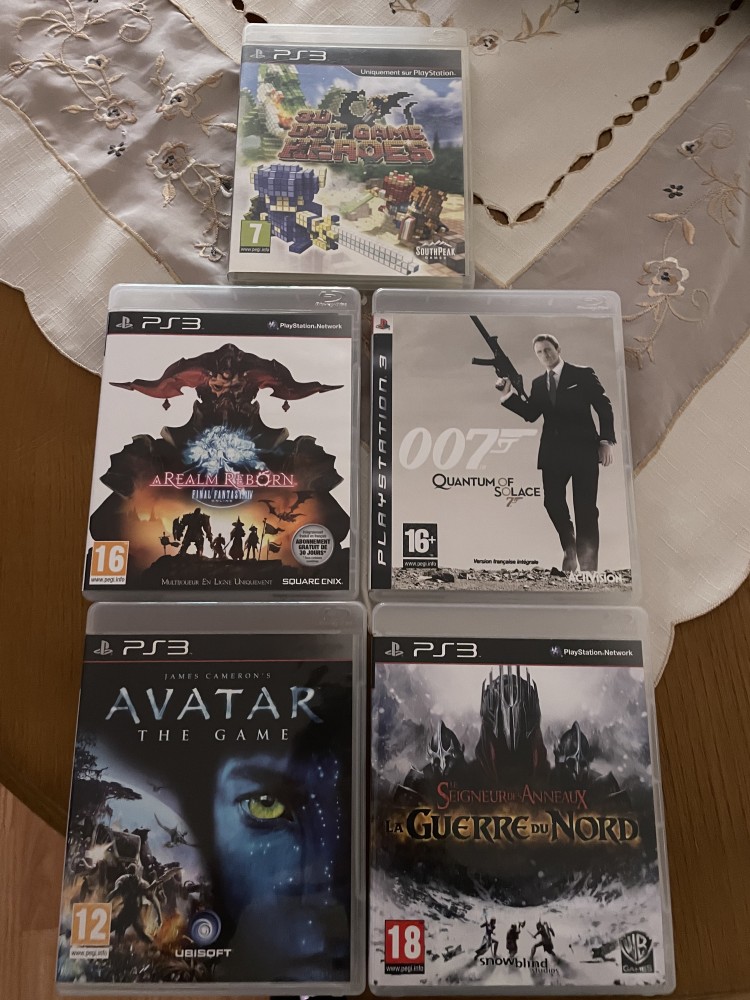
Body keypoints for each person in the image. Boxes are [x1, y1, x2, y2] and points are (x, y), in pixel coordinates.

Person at [496, 334, 616, 572]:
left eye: (548, 349)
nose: (545, 355)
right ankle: (569, 548)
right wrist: (508, 395)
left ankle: (588, 567)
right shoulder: (539, 384)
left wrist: (606, 441)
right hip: (553, 454)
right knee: (552, 502)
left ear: (558, 349)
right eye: (539, 352)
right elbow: (531, 414)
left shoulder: (583, 374)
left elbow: (603, 406)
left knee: (586, 509)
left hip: (583, 451)